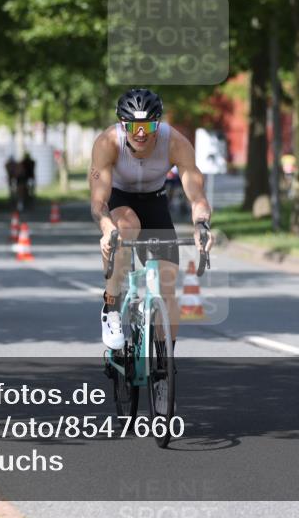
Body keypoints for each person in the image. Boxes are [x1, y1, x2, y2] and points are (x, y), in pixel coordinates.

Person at [88, 88, 214, 350]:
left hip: (155, 200)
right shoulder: (107, 142)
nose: (140, 133)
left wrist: (201, 225)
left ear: (158, 123)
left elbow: (197, 196)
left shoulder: (175, 143)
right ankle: (111, 307)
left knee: (167, 289)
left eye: (148, 125)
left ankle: (164, 363)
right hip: (119, 200)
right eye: (132, 126)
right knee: (125, 228)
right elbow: (99, 201)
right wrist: (106, 227)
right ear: (122, 125)